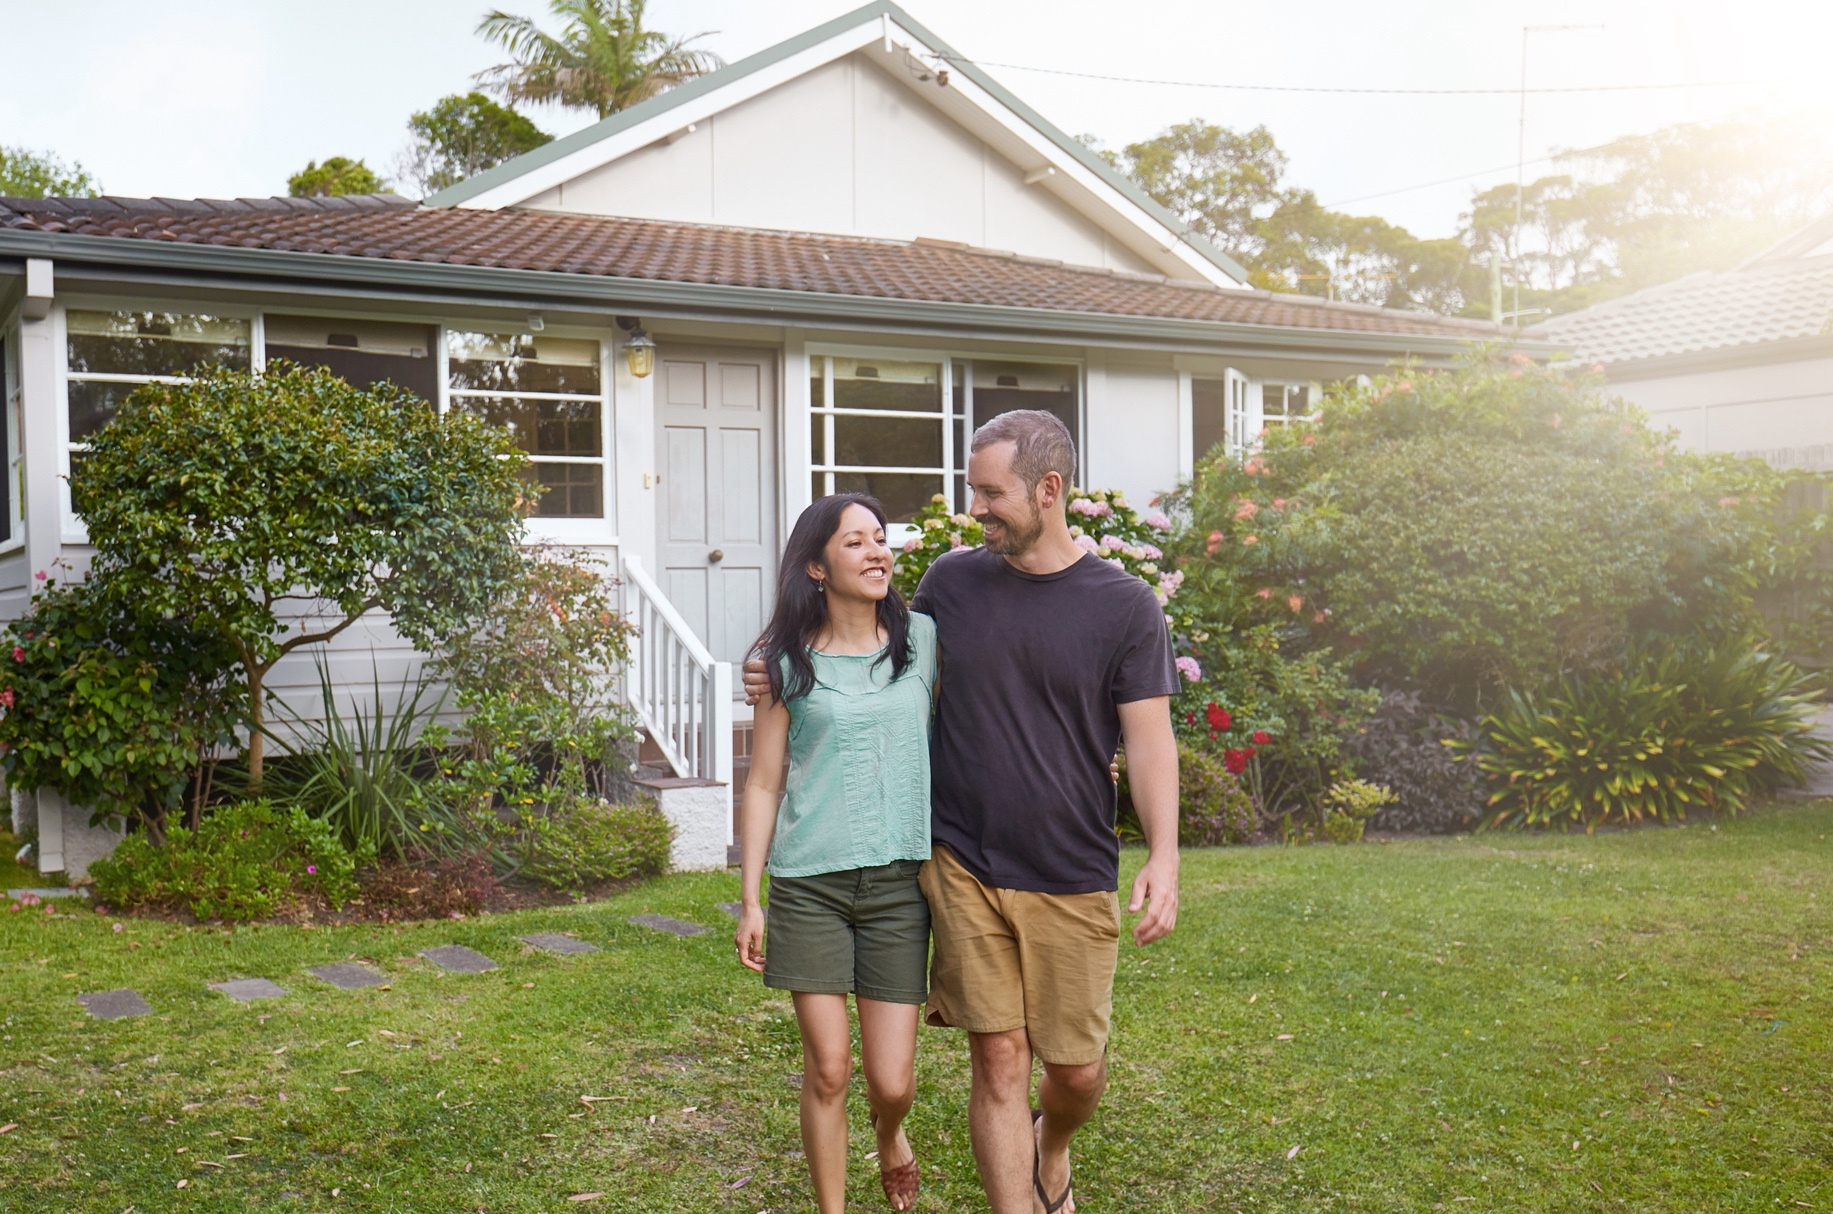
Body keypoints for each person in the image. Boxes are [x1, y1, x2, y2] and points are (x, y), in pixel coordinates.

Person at [748, 409, 1181, 1214]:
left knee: (1076, 1071)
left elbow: (1149, 742)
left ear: (1048, 490)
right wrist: (773, 669)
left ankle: (1052, 1147)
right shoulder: (952, 582)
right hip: (961, 859)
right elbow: (865, 646)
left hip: (1070, 865)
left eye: (990, 493)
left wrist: (1163, 855)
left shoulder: (1124, 608)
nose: (973, 509)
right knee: (999, 1058)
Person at [734, 492, 939, 1214]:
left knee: (892, 1083)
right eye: (855, 543)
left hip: (897, 887)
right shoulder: (783, 663)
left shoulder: (924, 641)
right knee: (828, 1069)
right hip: (808, 885)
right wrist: (751, 898)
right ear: (816, 567)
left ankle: (891, 1136)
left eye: (879, 538)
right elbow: (762, 782)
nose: (877, 552)